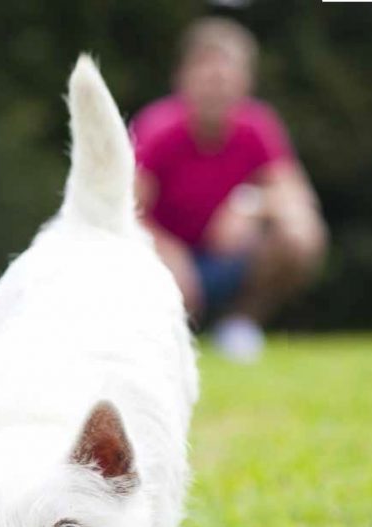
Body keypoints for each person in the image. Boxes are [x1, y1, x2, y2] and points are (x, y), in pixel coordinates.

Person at [131, 17, 328, 362]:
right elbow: (123, 213)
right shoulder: (157, 129)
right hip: (165, 262)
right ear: (183, 78)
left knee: (301, 232)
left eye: (225, 75)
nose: (216, 86)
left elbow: (297, 196)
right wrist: (167, 250)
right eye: (206, 75)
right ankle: (159, 335)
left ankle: (239, 325)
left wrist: (248, 205)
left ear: (245, 81)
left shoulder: (258, 127)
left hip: (225, 260)